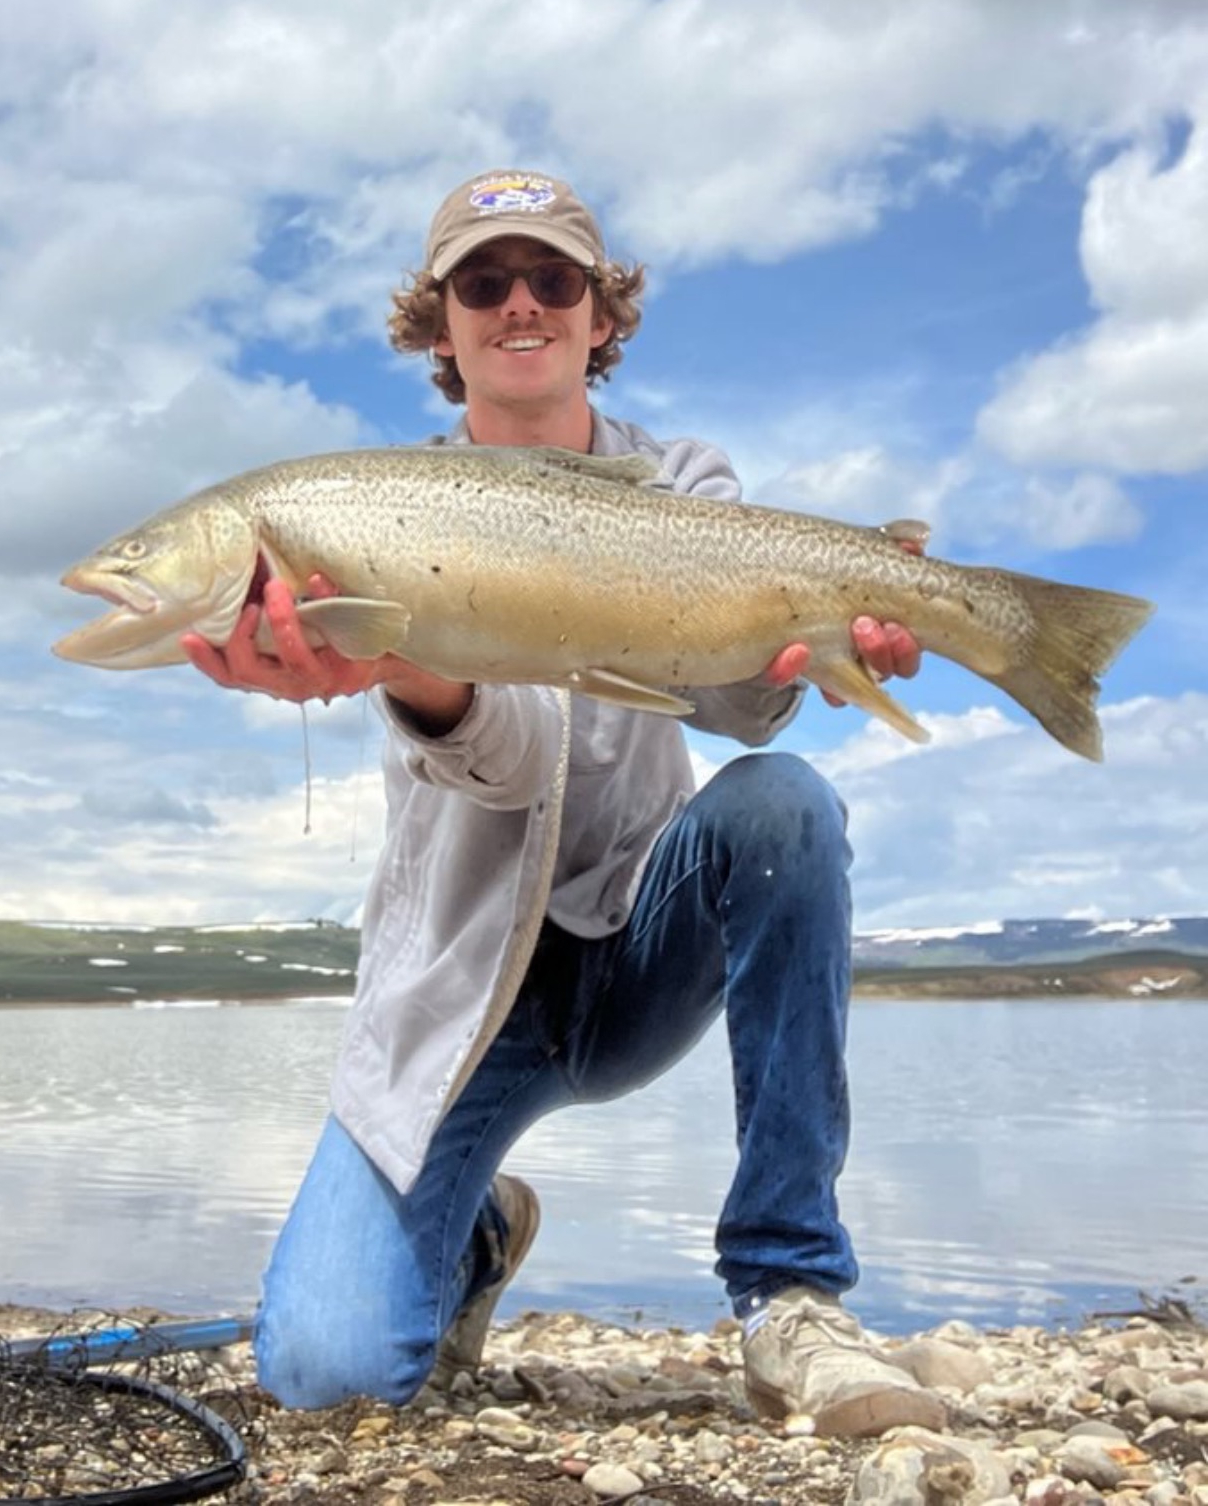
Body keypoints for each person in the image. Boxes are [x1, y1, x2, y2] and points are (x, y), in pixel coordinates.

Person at [183, 169, 945, 1438]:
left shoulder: (685, 479)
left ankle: (789, 1289)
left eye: (554, 278)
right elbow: (515, 758)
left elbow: (743, 711)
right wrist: (402, 666)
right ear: (440, 326)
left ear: (602, 314)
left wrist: (835, 639)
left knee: (782, 806)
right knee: (323, 1370)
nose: (520, 302)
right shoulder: (371, 514)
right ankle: (477, 1227)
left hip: (644, 945)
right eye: (483, 282)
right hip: (466, 993)